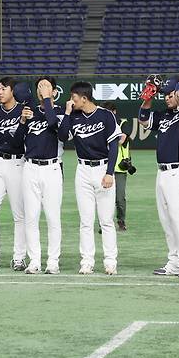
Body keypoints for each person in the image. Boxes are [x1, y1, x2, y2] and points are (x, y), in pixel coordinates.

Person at [138, 74, 179, 278]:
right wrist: (148, 98)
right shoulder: (164, 115)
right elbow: (144, 120)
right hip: (162, 172)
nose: (167, 97)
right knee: (167, 220)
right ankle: (173, 261)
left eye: (170, 94)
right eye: (165, 94)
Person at [58, 81, 121, 275]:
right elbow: (61, 136)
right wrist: (68, 113)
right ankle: (87, 261)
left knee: (106, 220)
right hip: (83, 170)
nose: (71, 101)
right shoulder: (73, 116)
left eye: (74, 98)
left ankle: (110, 261)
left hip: (103, 168)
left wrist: (110, 172)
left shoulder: (105, 115)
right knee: (85, 220)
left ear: (84, 98)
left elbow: (113, 146)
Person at [11, 77, 64, 274]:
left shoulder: (59, 111)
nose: (43, 89)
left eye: (47, 86)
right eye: (40, 86)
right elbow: (16, 141)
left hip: (51, 168)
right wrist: (23, 121)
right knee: (31, 217)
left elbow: (53, 124)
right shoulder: (29, 111)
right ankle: (34, 261)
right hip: (30, 167)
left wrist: (48, 99)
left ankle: (53, 261)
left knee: (52, 217)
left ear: (54, 90)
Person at [0, 77, 27, 271]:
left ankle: (19, 257)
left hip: (18, 163)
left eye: (3, 89)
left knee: (19, 214)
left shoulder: (23, 112)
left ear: (12, 90)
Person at [102, 101, 132, 231]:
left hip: (120, 168)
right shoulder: (101, 124)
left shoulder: (123, 123)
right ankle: (104, 223)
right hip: (104, 167)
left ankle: (121, 220)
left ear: (114, 112)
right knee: (103, 198)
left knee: (119, 198)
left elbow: (122, 138)